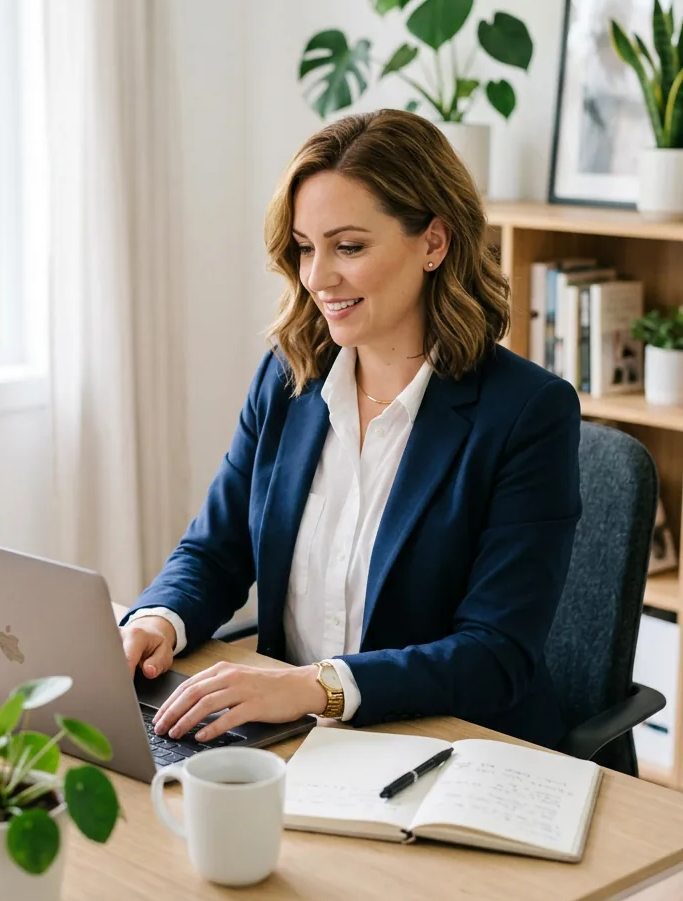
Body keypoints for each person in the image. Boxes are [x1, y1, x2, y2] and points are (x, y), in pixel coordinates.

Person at [120, 108, 582, 754]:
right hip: (295, 745)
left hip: (450, 752)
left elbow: (494, 655)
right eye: (306, 248)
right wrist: (156, 620)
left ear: (434, 243)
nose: (317, 277)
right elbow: (215, 550)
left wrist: (317, 688)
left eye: (349, 247)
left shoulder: (529, 415)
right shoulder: (288, 380)